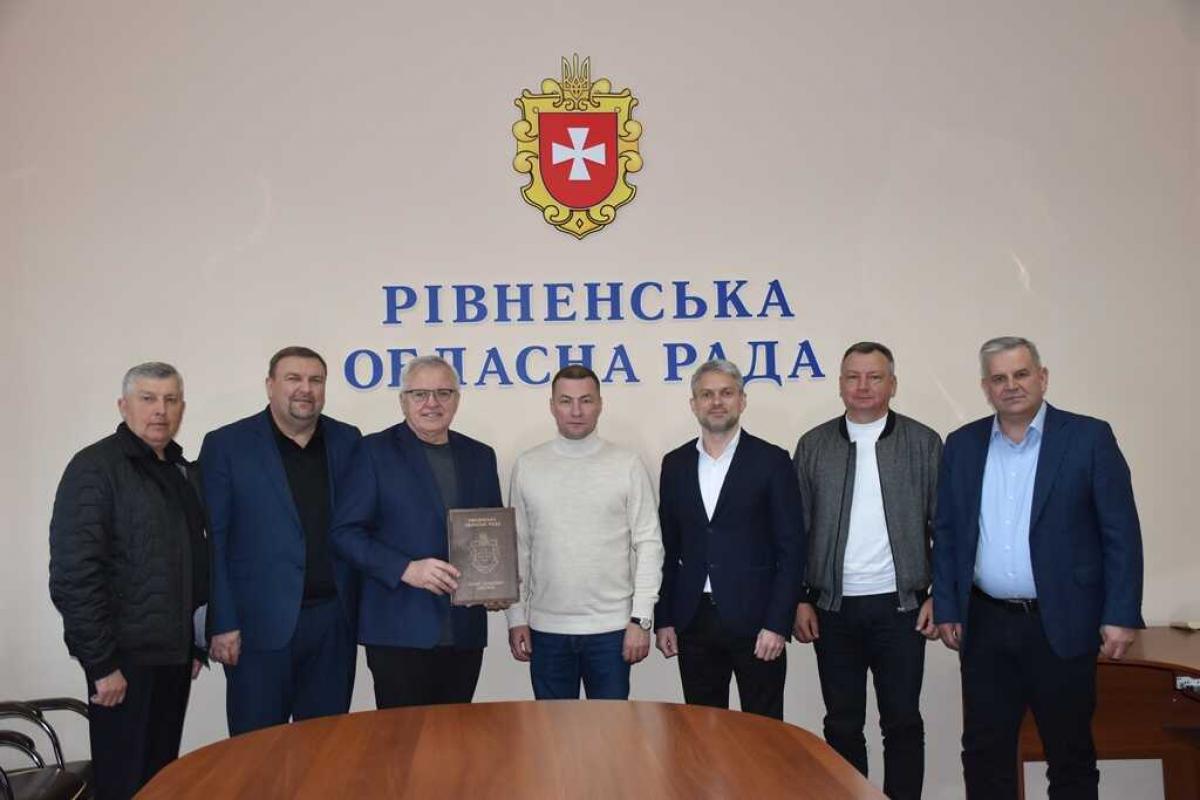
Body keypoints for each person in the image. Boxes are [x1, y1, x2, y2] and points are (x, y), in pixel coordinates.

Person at [932, 336, 1144, 800]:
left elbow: (1121, 533)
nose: (1011, 386)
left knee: (1070, 756)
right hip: (986, 625)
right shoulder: (963, 445)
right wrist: (947, 606)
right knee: (984, 754)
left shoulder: (1089, 438)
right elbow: (947, 533)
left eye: (1021, 374)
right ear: (986, 387)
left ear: (1042, 378)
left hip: (1063, 622)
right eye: (999, 378)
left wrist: (1121, 613)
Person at [49, 362, 207, 800]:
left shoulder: (180, 470)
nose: (160, 410)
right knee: (123, 785)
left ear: (181, 408)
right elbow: (74, 575)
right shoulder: (95, 468)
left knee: (160, 781)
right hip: (122, 666)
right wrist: (101, 665)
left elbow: (193, 561)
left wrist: (192, 644)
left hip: (171, 659)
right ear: (123, 406)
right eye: (148, 399)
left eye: (170, 400)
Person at [792, 342, 942, 800]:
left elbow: (947, 527)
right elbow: (795, 530)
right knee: (841, 723)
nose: (863, 386)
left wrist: (940, 595)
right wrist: (799, 598)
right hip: (832, 609)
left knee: (902, 721)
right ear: (840, 384)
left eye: (874, 377)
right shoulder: (814, 445)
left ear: (892, 384)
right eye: (853, 377)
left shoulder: (923, 443)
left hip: (903, 608)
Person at [200, 347, 362, 735]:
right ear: (270, 385)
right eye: (293, 379)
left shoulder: (348, 440)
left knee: (326, 746)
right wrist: (222, 622)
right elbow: (214, 540)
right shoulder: (227, 445)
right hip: (256, 628)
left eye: (315, 380)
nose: (305, 389)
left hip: (333, 623)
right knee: (256, 748)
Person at [330, 355, 503, 708]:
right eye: (420, 394)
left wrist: (497, 584)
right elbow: (345, 533)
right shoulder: (372, 452)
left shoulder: (480, 456)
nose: (432, 403)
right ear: (403, 400)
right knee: (402, 739)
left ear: (457, 399)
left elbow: (493, 532)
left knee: (456, 736)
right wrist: (406, 569)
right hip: (398, 630)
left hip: (464, 632)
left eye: (443, 393)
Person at [654, 360, 804, 720]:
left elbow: (792, 548)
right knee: (703, 732)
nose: (717, 402)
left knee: (764, 733)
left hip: (757, 622)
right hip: (693, 619)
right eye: (707, 394)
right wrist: (664, 618)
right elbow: (667, 548)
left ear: (742, 400)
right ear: (694, 404)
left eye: (726, 393)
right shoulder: (675, 465)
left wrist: (777, 623)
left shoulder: (772, 461)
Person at [506, 365, 664, 700]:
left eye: (586, 400)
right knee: (551, 732)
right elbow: (517, 547)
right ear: (552, 406)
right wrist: (516, 616)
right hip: (546, 632)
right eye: (566, 401)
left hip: (612, 631)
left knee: (611, 731)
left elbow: (650, 544)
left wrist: (641, 618)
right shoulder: (528, 466)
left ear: (600, 404)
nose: (576, 411)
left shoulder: (627, 464)